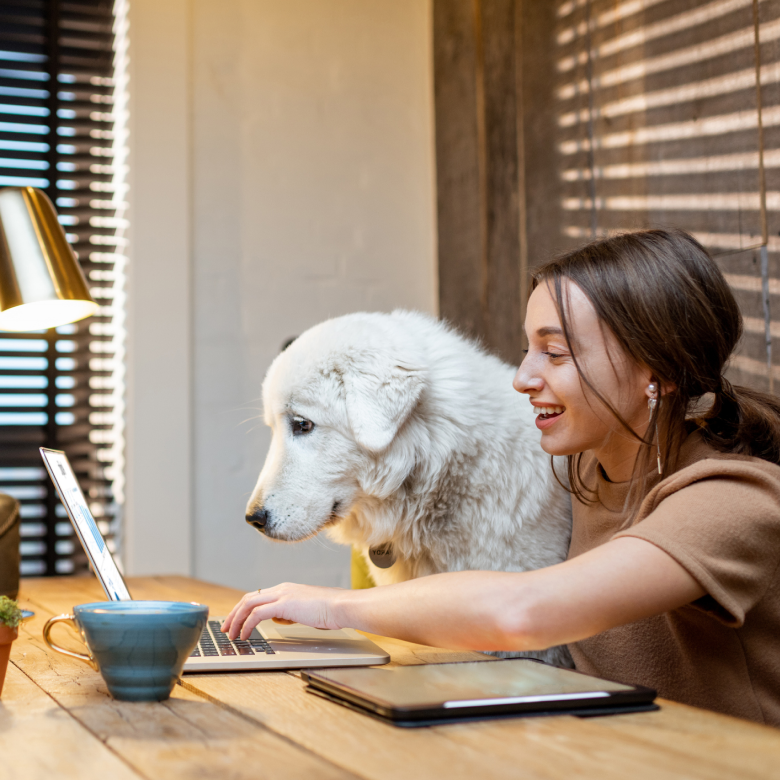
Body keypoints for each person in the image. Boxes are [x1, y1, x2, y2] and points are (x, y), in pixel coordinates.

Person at [222, 229, 780, 726]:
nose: (523, 378)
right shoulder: (587, 467)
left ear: (652, 370)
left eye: (555, 353)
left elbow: (524, 612)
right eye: (526, 348)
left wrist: (331, 608)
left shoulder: (732, 498)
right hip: (606, 747)